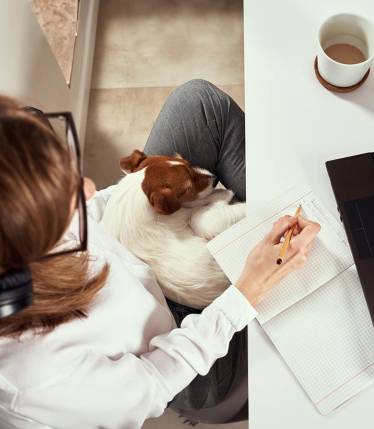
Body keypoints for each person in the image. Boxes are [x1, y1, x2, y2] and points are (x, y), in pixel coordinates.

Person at [0, 80, 320, 428]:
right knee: (316, 298)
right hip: (180, 358)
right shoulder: (33, 377)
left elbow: (95, 206)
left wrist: (137, 188)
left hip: (143, 259)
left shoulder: (34, 225)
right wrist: (246, 293)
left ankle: (305, 205)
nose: (89, 187)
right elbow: (155, 380)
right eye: (65, 196)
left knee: (198, 102)